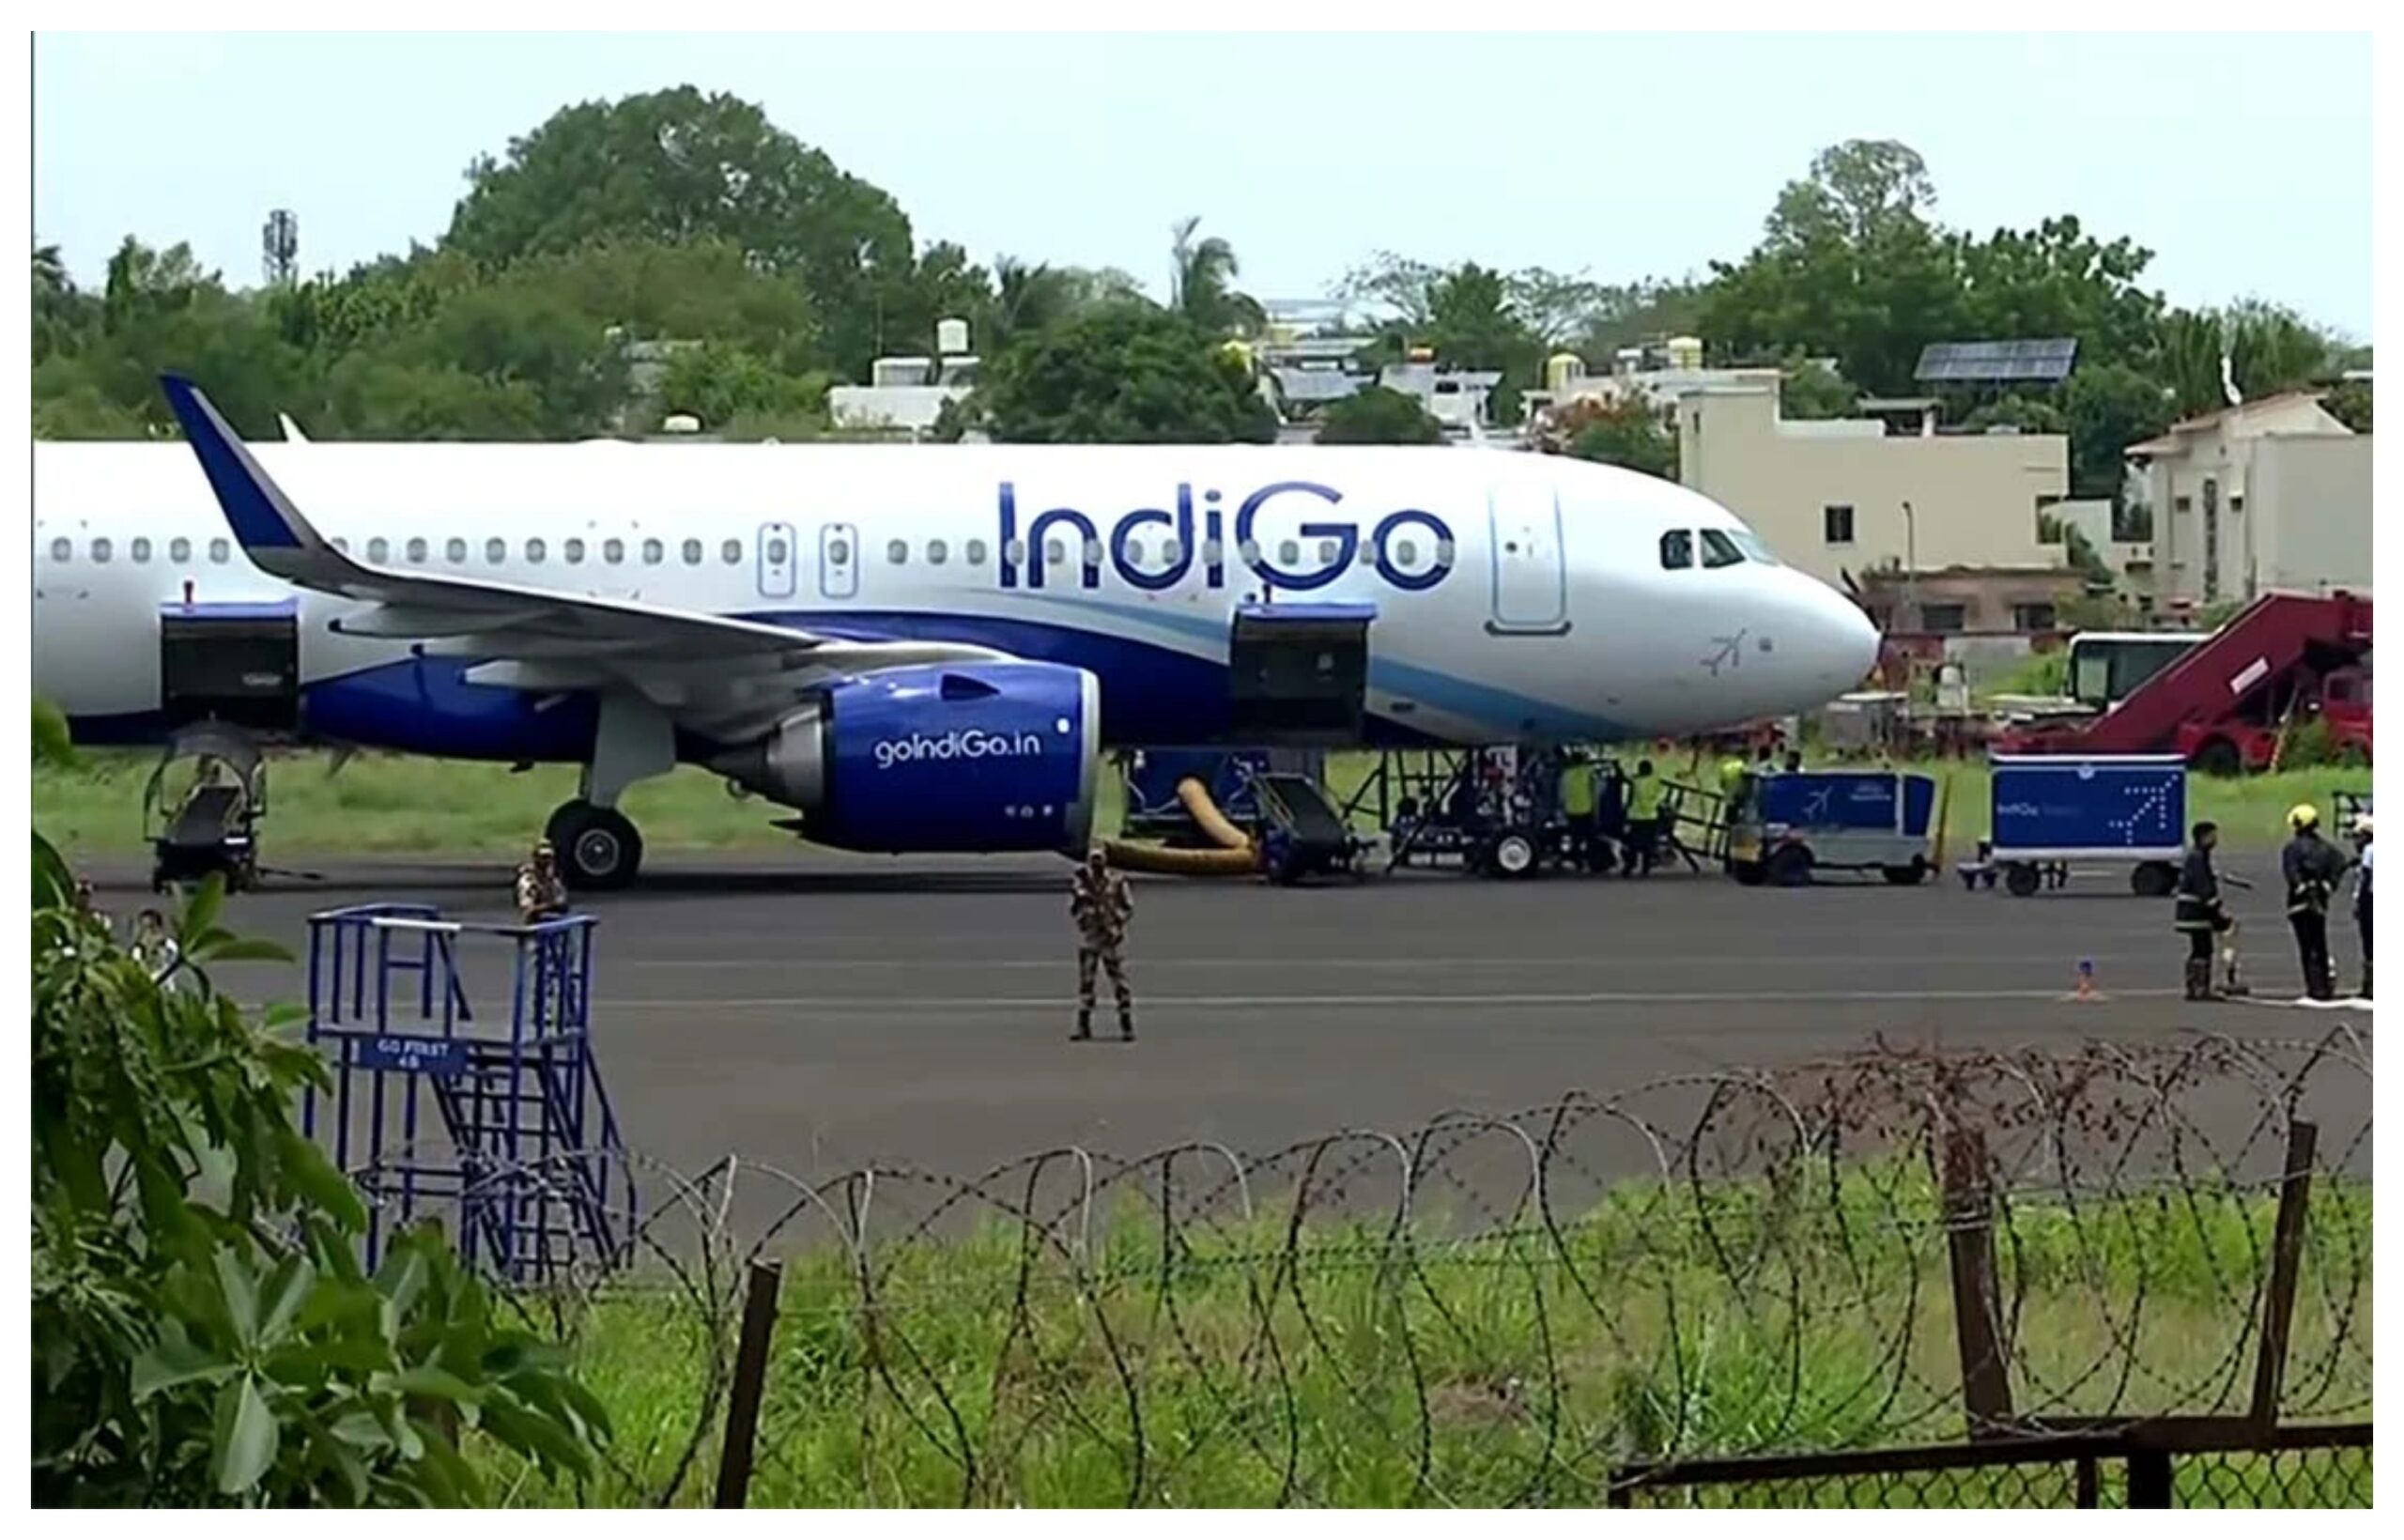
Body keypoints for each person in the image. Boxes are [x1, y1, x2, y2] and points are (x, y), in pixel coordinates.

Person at [2280, 805, 2350, 1001]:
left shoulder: (2292, 848)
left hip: (2299, 902)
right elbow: (2340, 862)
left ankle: (2314, 987)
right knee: (2319, 944)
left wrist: (2301, 885)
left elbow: (2291, 872)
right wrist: (2329, 884)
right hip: (2320, 900)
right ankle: (2324, 986)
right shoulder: (2327, 848)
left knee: (2306, 946)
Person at [1070, 848, 1135, 1041]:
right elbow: (1074, 908)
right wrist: (1086, 918)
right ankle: (1083, 1025)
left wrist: (1116, 922)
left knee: (1119, 982)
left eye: (1099, 859)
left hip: (1110, 938)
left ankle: (1126, 1023)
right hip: (1090, 937)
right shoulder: (1082, 881)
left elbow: (1128, 906)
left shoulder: (1117, 881)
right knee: (1087, 982)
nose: (1096, 863)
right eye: (1093, 859)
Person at [2173, 822, 2235, 1001]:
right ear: (2203, 837)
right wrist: (2217, 914)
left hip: (2191, 910)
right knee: (2203, 948)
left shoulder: (2197, 857)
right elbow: (2204, 888)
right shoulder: (2198, 859)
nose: (2215, 839)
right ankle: (2200, 987)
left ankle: (2194, 986)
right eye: (2212, 836)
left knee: (2199, 949)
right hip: (2195, 912)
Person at [1623, 758, 1664, 876]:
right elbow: (1660, 796)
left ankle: (1630, 865)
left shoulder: (1636, 781)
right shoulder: (1655, 781)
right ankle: (1645, 867)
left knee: (1632, 843)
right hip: (1651, 816)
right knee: (1648, 843)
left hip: (1636, 816)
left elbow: (1630, 796)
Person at [1559, 750, 1600, 862]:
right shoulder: (1589, 772)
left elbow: (1562, 794)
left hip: (1571, 810)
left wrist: (1563, 808)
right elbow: (1595, 792)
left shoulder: (1566, 774)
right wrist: (1596, 809)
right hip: (1586, 809)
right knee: (1590, 836)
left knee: (1575, 837)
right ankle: (1591, 858)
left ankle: (1577, 859)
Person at [515, 839, 568, 924]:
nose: (547, 861)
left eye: (550, 857)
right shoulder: (528, 880)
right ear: (535, 858)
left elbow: (561, 900)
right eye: (544, 857)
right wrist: (551, 905)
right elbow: (528, 910)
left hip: (554, 921)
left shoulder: (552, 878)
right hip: (535, 924)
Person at [2350, 814, 2372, 999]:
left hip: (2371, 899)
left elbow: (2365, 878)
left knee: (2370, 943)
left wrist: (2358, 901)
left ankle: (2370, 985)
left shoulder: (2369, 851)